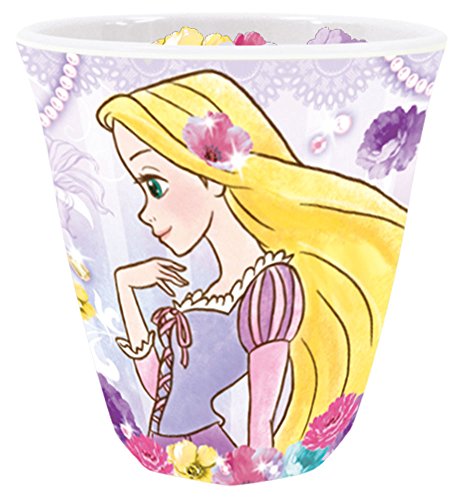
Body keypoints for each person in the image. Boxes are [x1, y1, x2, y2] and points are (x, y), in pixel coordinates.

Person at [95, 68, 407, 455]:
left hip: (209, 454)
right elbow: (161, 388)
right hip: (169, 454)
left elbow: (260, 424)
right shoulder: (208, 295)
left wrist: (258, 468)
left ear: (211, 175)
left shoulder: (270, 289)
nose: (144, 212)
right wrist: (125, 288)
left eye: (155, 186)